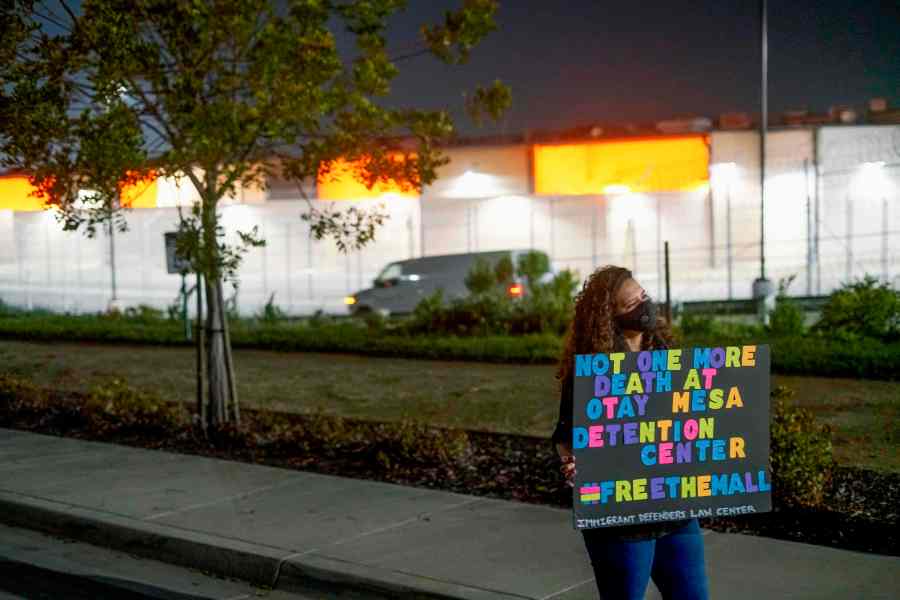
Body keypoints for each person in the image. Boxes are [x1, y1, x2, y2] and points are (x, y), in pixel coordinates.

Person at [551, 265, 710, 600]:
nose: (644, 307)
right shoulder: (593, 370)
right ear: (610, 317)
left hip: (675, 508)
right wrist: (572, 465)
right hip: (622, 519)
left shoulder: (666, 353)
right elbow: (565, 434)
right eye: (632, 305)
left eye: (644, 297)